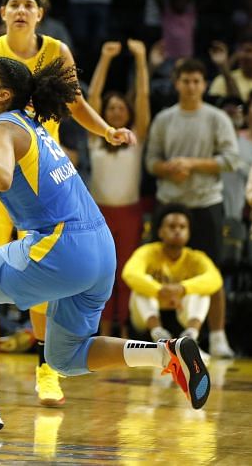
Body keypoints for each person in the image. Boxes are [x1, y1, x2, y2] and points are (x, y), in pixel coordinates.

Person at [0, 56, 211, 433]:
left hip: (62, 243)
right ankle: (166, 353)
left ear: (3, 94)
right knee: (65, 357)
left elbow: (0, 178)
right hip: (100, 248)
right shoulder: (28, 124)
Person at [0, 0, 135, 407]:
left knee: (41, 280)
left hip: (38, 179)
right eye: (12, 0)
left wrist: (106, 130)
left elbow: (75, 103)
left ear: (39, 15)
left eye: (28, 1)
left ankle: (47, 372)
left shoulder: (56, 52)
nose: (20, 6)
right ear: (2, 14)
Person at [145, 58, 239, 358]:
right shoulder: (164, 119)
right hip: (171, 203)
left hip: (206, 203)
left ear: (205, 84)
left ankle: (219, 336)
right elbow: (151, 163)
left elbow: (231, 160)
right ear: (176, 84)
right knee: (161, 274)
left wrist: (193, 164)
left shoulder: (216, 118)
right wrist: (170, 168)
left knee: (212, 272)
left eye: (197, 81)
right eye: (186, 81)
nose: (191, 86)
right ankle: (167, 338)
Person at [87, 39, 151, 337]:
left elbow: (143, 97)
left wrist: (140, 61)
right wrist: (104, 58)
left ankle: (122, 326)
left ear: (127, 113)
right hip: (98, 213)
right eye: (110, 109)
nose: (114, 112)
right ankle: (100, 326)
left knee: (125, 272)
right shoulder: (94, 140)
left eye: (119, 108)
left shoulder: (136, 140)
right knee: (100, 273)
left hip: (129, 213)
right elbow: (93, 97)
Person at [123, 204, 222, 347]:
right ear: (160, 232)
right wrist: (160, 290)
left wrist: (182, 288)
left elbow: (215, 278)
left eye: (182, 227)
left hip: (181, 315)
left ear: (188, 233)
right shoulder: (147, 252)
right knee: (141, 287)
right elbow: (129, 273)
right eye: (172, 226)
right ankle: (158, 334)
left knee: (202, 292)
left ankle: (191, 337)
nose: (177, 230)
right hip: (146, 323)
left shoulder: (196, 257)